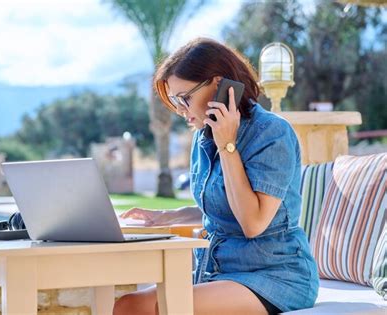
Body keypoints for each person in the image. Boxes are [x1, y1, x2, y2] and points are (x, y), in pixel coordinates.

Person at [113, 38, 319, 315]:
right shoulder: (204, 138)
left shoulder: (271, 133)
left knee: (149, 307)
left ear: (219, 86)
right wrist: (163, 216)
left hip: (275, 275)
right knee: (128, 304)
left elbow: (253, 222)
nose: (180, 111)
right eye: (175, 101)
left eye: (184, 98)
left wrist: (228, 146)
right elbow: (222, 208)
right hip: (216, 270)